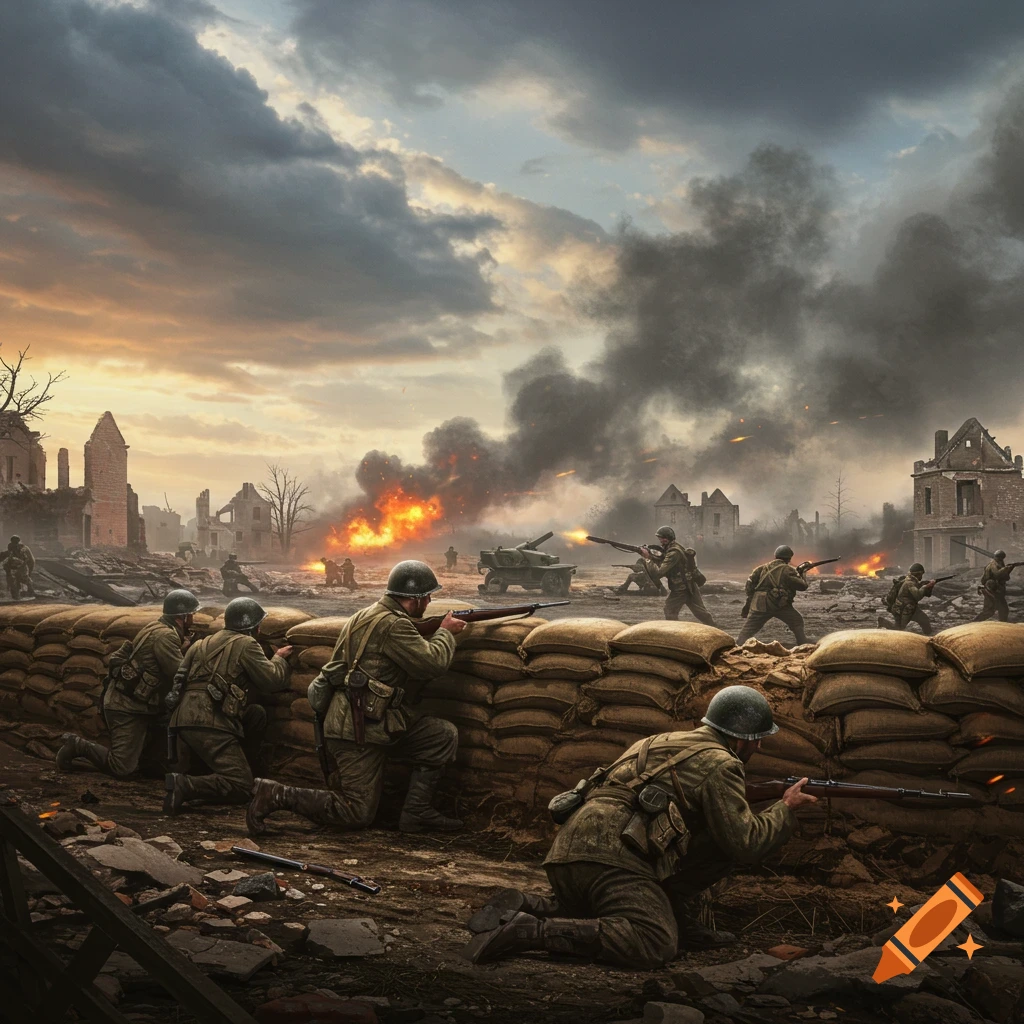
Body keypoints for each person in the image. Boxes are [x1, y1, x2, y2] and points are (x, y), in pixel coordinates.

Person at [461, 685, 817, 968]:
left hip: (568, 854)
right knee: (654, 941)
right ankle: (533, 930)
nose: (759, 745)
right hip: (614, 863)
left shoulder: (655, 742)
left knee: (606, 906)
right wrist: (785, 807)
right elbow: (747, 843)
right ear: (741, 738)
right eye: (758, 739)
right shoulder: (721, 763)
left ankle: (531, 904)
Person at [246, 560, 466, 837]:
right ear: (416, 599)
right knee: (356, 812)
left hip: (378, 720)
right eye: (428, 596)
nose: (430, 601)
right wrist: (446, 632)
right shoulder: (393, 625)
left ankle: (416, 813)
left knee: (441, 735)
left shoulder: (364, 614)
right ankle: (276, 794)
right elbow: (432, 664)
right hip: (357, 728)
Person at [162, 597, 292, 814]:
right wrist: (279, 658)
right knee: (241, 786)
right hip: (211, 721)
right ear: (254, 626)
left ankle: (240, 768)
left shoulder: (200, 644)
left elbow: (179, 680)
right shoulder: (247, 643)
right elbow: (272, 681)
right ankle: (184, 785)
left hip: (182, 720)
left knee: (255, 714)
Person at [55, 590, 200, 776]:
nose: (193, 618)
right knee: (122, 768)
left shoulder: (155, 627)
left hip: (137, 702)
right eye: (192, 614)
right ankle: (79, 746)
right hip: (127, 707)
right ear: (183, 616)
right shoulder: (166, 636)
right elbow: (178, 672)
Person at [735, 545, 810, 646]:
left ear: (775, 556)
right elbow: (802, 586)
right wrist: (803, 573)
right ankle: (802, 641)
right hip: (780, 605)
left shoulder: (760, 568)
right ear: (789, 558)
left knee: (748, 630)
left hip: (760, 605)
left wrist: (751, 602)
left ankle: (738, 644)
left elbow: (749, 586)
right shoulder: (788, 570)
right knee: (796, 621)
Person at [642, 527, 716, 625]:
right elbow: (664, 561)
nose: (660, 540)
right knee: (701, 612)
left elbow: (659, 572)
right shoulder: (674, 548)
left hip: (681, 588)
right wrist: (652, 555)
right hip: (690, 585)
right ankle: (714, 628)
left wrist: (648, 558)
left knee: (669, 610)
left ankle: (675, 632)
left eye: (661, 538)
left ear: (666, 538)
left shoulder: (673, 552)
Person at [878, 563, 937, 635]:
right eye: (921, 574)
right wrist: (925, 587)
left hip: (908, 607)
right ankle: (883, 622)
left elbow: (926, 594)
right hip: (903, 609)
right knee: (899, 629)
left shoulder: (911, 581)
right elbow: (917, 596)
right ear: (918, 574)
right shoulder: (909, 583)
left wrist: (929, 586)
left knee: (924, 620)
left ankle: (929, 637)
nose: (921, 576)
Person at [974, 550, 1014, 623]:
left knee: (1003, 610)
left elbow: (1005, 577)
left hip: (995, 589)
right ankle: (974, 623)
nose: (1001, 559)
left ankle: (1003, 625)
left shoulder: (999, 564)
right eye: (1000, 558)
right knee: (990, 611)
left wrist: (1009, 569)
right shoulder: (993, 565)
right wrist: (1006, 569)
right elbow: (996, 574)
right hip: (991, 589)